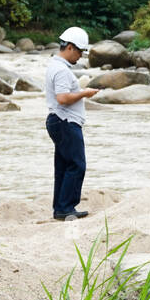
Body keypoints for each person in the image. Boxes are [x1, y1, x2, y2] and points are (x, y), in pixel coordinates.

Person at [44, 27, 98, 221]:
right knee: (77, 164)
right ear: (69, 47)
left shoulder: (55, 65)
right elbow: (63, 98)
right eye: (79, 51)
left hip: (58, 120)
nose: (80, 55)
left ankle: (60, 207)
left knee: (63, 165)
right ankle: (66, 207)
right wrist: (85, 93)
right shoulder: (61, 70)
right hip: (65, 121)